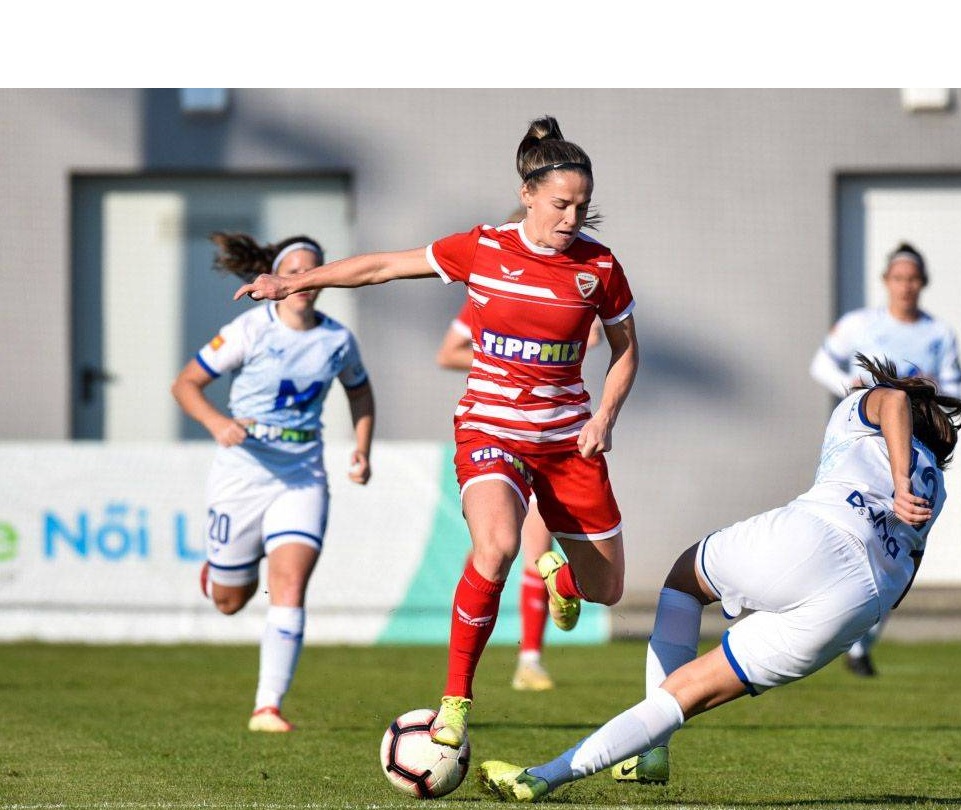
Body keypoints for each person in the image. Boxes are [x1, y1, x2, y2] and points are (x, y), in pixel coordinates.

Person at [233, 115, 639, 748]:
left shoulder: (600, 267)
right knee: (495, 549)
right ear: (528, 194)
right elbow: (382, 267)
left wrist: (604, 416)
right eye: (561, 204)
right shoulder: (484, 248)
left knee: (605, 590)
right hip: (490, 428)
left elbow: (626, 350)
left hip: (567, 440)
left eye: (582, 207)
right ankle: (454, 703)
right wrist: (295, 281)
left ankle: (559, 578)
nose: (571, 218)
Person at [476, 355, 961, 801]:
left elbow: (892, 401)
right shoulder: (938, 489)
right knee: (684, 695)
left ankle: (643, 751)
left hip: (815, 535)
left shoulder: (865, 412)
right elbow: (906, 577)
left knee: (684, 579)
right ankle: (545, 777)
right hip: (858, 604)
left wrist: (898, 481)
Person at [171, 232, 375, 733]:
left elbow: (360, 391)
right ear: (277, 277)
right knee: (229, 602)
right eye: (293, 270)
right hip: (242, 473)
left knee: (290, 584)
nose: (302, 280)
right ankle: (223, 569)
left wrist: (362, 448)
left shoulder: (337, 340)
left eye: (311, 271)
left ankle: (267, 706)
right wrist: (218, 423)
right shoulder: (249, 329)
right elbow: (185, 384)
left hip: (301, 475)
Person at [809, 241, 961, 676]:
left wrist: (931, 396)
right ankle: (825, 619)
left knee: (897, 546)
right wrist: (853, 387)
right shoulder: (860, 324)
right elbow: (821, 364)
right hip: (864, 446)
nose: (905, 286)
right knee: (849, 528)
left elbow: (955, 389)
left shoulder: (939, 334)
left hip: (912, 453)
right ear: (886, 282)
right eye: (898, 278)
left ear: (922, 283)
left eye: (912, 279)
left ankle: (861, 644)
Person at [436, 294, 604, 692]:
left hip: (552, 436)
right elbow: (448, 353)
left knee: (538, 549)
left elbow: (603, 335)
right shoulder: (490, 294)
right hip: (499, 434)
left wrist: (579, 335)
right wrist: (508, 366)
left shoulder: (564, 290)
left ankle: (530, 659)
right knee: (498, 550)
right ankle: (477, 677)